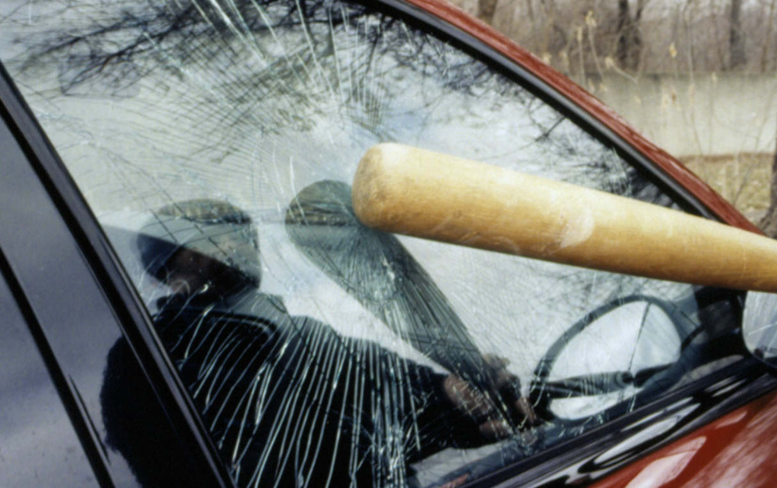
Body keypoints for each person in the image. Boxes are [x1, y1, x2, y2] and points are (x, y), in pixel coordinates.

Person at [103, 197, 535, 487]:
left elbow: (383, 381)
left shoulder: (300, 333)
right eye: (213, 235)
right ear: (172, 267)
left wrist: (451, 393)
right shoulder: (145, 358)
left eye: (243, 232)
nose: (239, 242)